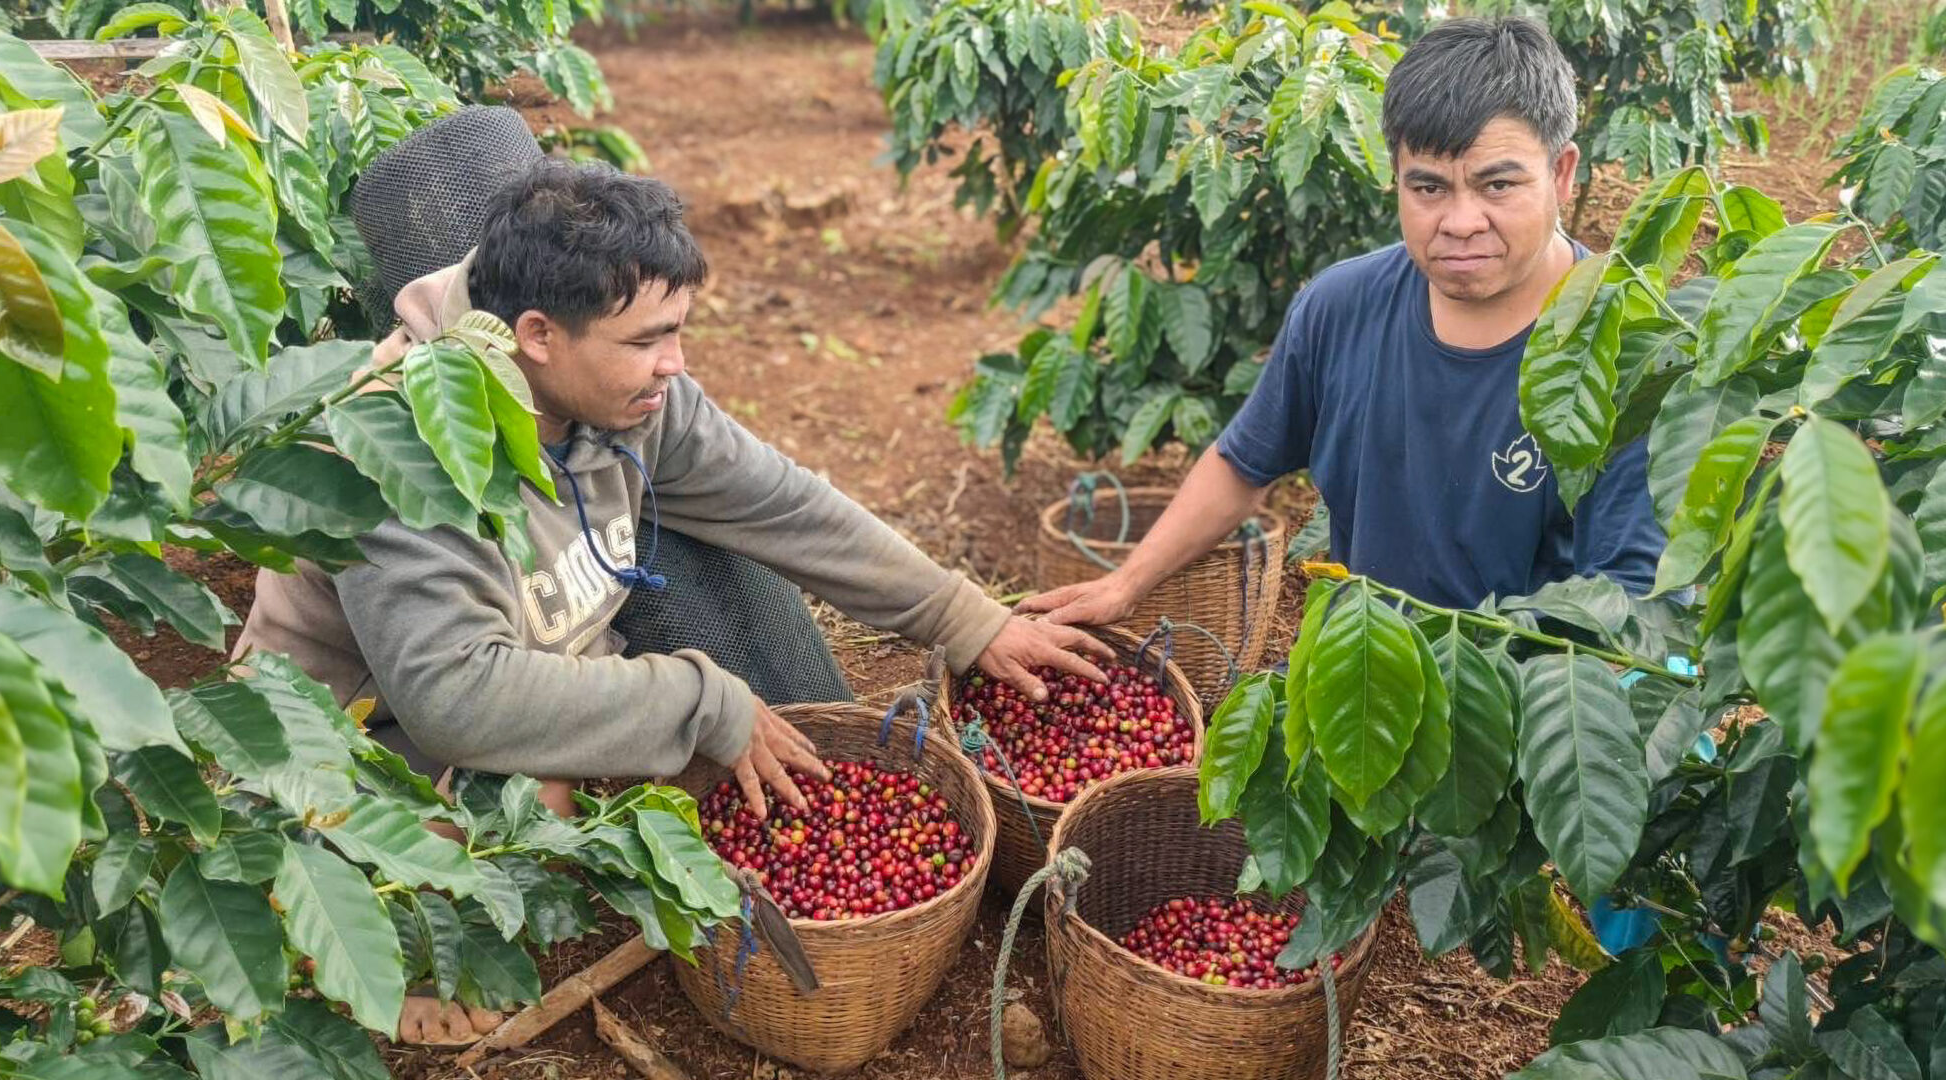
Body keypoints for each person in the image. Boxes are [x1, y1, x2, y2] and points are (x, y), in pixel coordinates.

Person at [238, 152, 1113, 1044]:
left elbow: (781, 503)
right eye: (648, 340)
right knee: (509, 832)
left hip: (522, 657)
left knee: (559, 797)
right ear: (538, 335)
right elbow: (453, 697)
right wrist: (701, 702)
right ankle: (384, 934)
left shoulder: (629, 395)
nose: (675, 364)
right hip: (354, 730)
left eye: (679, 331)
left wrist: (968, 620)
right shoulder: (403, 448)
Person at [1023, 16, 1664, 632]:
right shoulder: (1340, 307)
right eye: (1429, 188)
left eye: (1498, 186)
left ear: (1561, 172)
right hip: (1365, 685)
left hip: (1524, 710)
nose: (1462, 221)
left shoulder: (1628, 353)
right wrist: (1125, 583)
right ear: (1396, 180)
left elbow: (1632, 603)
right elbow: (1243, 464)